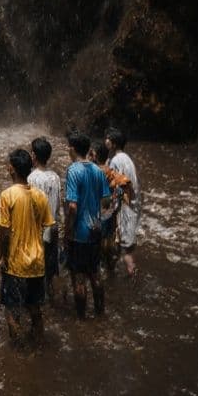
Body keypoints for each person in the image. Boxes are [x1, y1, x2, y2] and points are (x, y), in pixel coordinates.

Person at [0, 147, 54, 343]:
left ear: (12, 169)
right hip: (37, 263)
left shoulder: (7, 195)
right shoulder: (40, 196)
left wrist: (0, 257)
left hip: (15, 264)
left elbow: (4, 233)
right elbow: (48, 226)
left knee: (12, 313)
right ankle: (38, 349)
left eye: (8, 165)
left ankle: (17, 353)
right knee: (35, 310)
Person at [64, 131, 111, 319]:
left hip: (79, 233)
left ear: (73, 149)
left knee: (78, 277)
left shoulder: (73, 171)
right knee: (95, 274)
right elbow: (106, 201)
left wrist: (68, 230)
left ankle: (81, 319)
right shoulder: (98, 170)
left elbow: (73, 207)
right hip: (95, 230)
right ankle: (100, 313)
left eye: (69, 147)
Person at [28, 136, 62, 304]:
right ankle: (56, 303)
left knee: (36, 271)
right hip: (53, 227)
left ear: (34, 155)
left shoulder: (31, 178)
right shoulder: (55, 177)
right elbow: (58, 206)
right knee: (52, 268)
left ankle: (38, 305)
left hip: (37, 230)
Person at [90, 139, 131, 271]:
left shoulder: (93, 172)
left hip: (97, 215)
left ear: (95, 156)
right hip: (110, 213)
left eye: (91, 154)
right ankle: (111, 269)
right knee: (109, 241)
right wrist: (120, 198)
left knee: (97, 247)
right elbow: (126, 183)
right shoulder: (111, 172)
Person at [105, 128, 141, 276]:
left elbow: (115, 186)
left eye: (108, 138)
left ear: (113, 144)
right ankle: (112, 274)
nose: (105, 140)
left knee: (126, 250)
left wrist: (109, 207)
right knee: (120, 246)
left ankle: (133, 276)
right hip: (132, 207)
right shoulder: (127, 158)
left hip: (124, 209)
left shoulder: (116, 161)